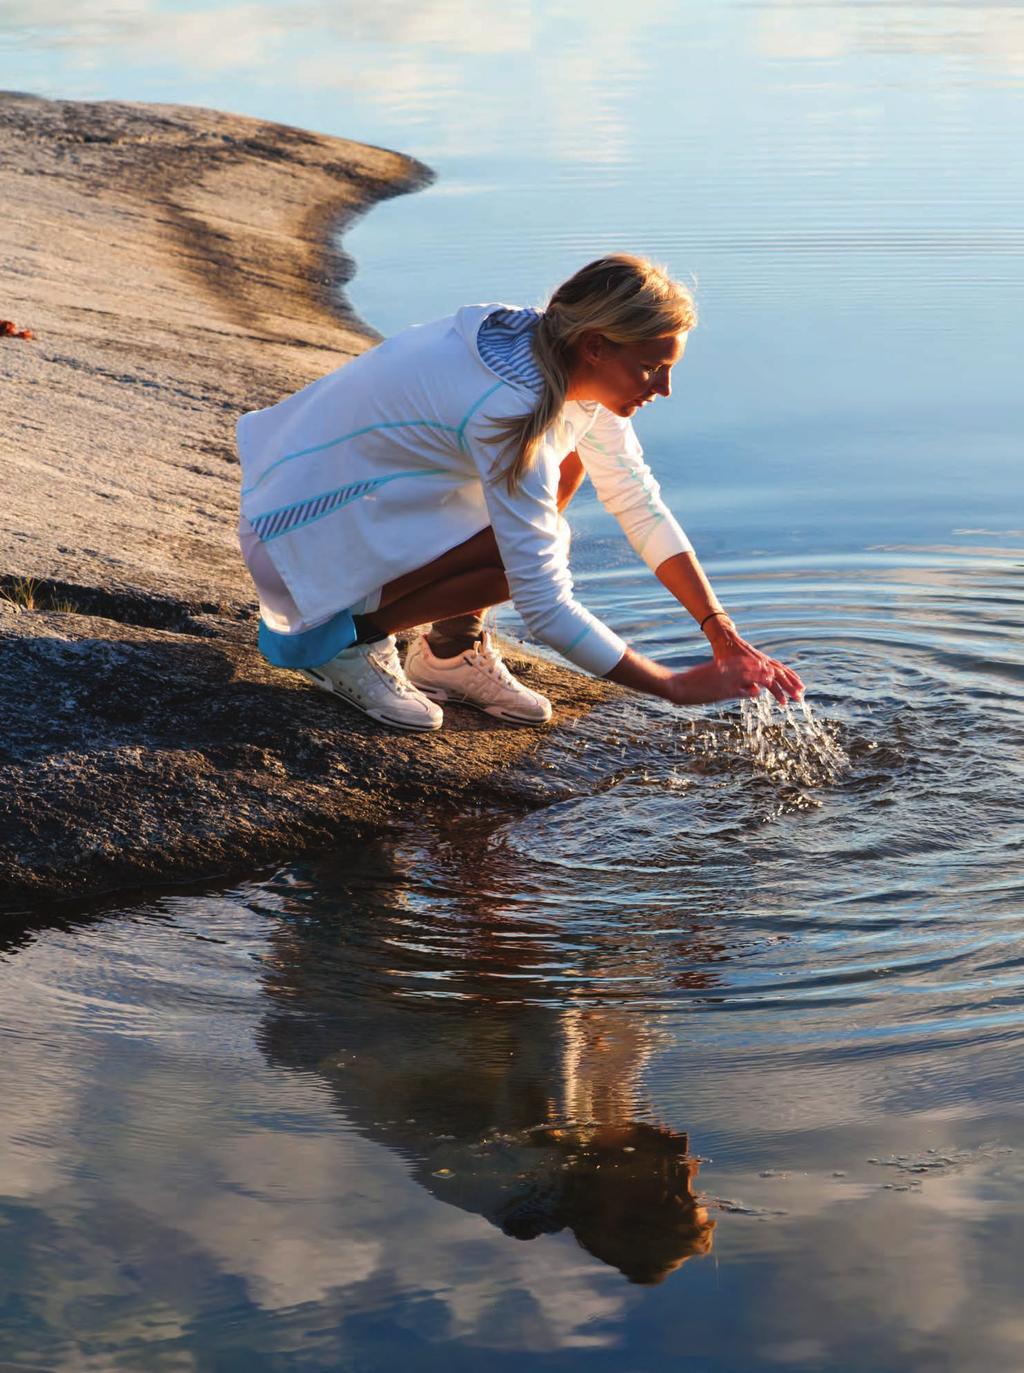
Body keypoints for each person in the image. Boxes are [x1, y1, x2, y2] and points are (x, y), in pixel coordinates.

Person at [236, 254, 804, 731]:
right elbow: (544, 605)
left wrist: (718, 627)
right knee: (532, 550)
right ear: (597, 346)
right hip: (299, 545)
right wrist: (672, 685)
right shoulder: (508, 408)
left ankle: (450, 651)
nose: (665, 388)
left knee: (569, 469)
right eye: (652, 368)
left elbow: (635, 498)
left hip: (350, 513)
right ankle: (344, 642)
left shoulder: (556, 353)